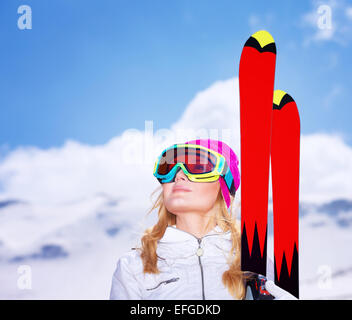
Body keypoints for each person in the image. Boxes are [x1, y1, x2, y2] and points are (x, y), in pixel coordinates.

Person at [109, 139, 296, 300]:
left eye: (198, 166)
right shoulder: (134, 265)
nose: (179, 175)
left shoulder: (254, 262)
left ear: (224, 188)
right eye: (169, 168)